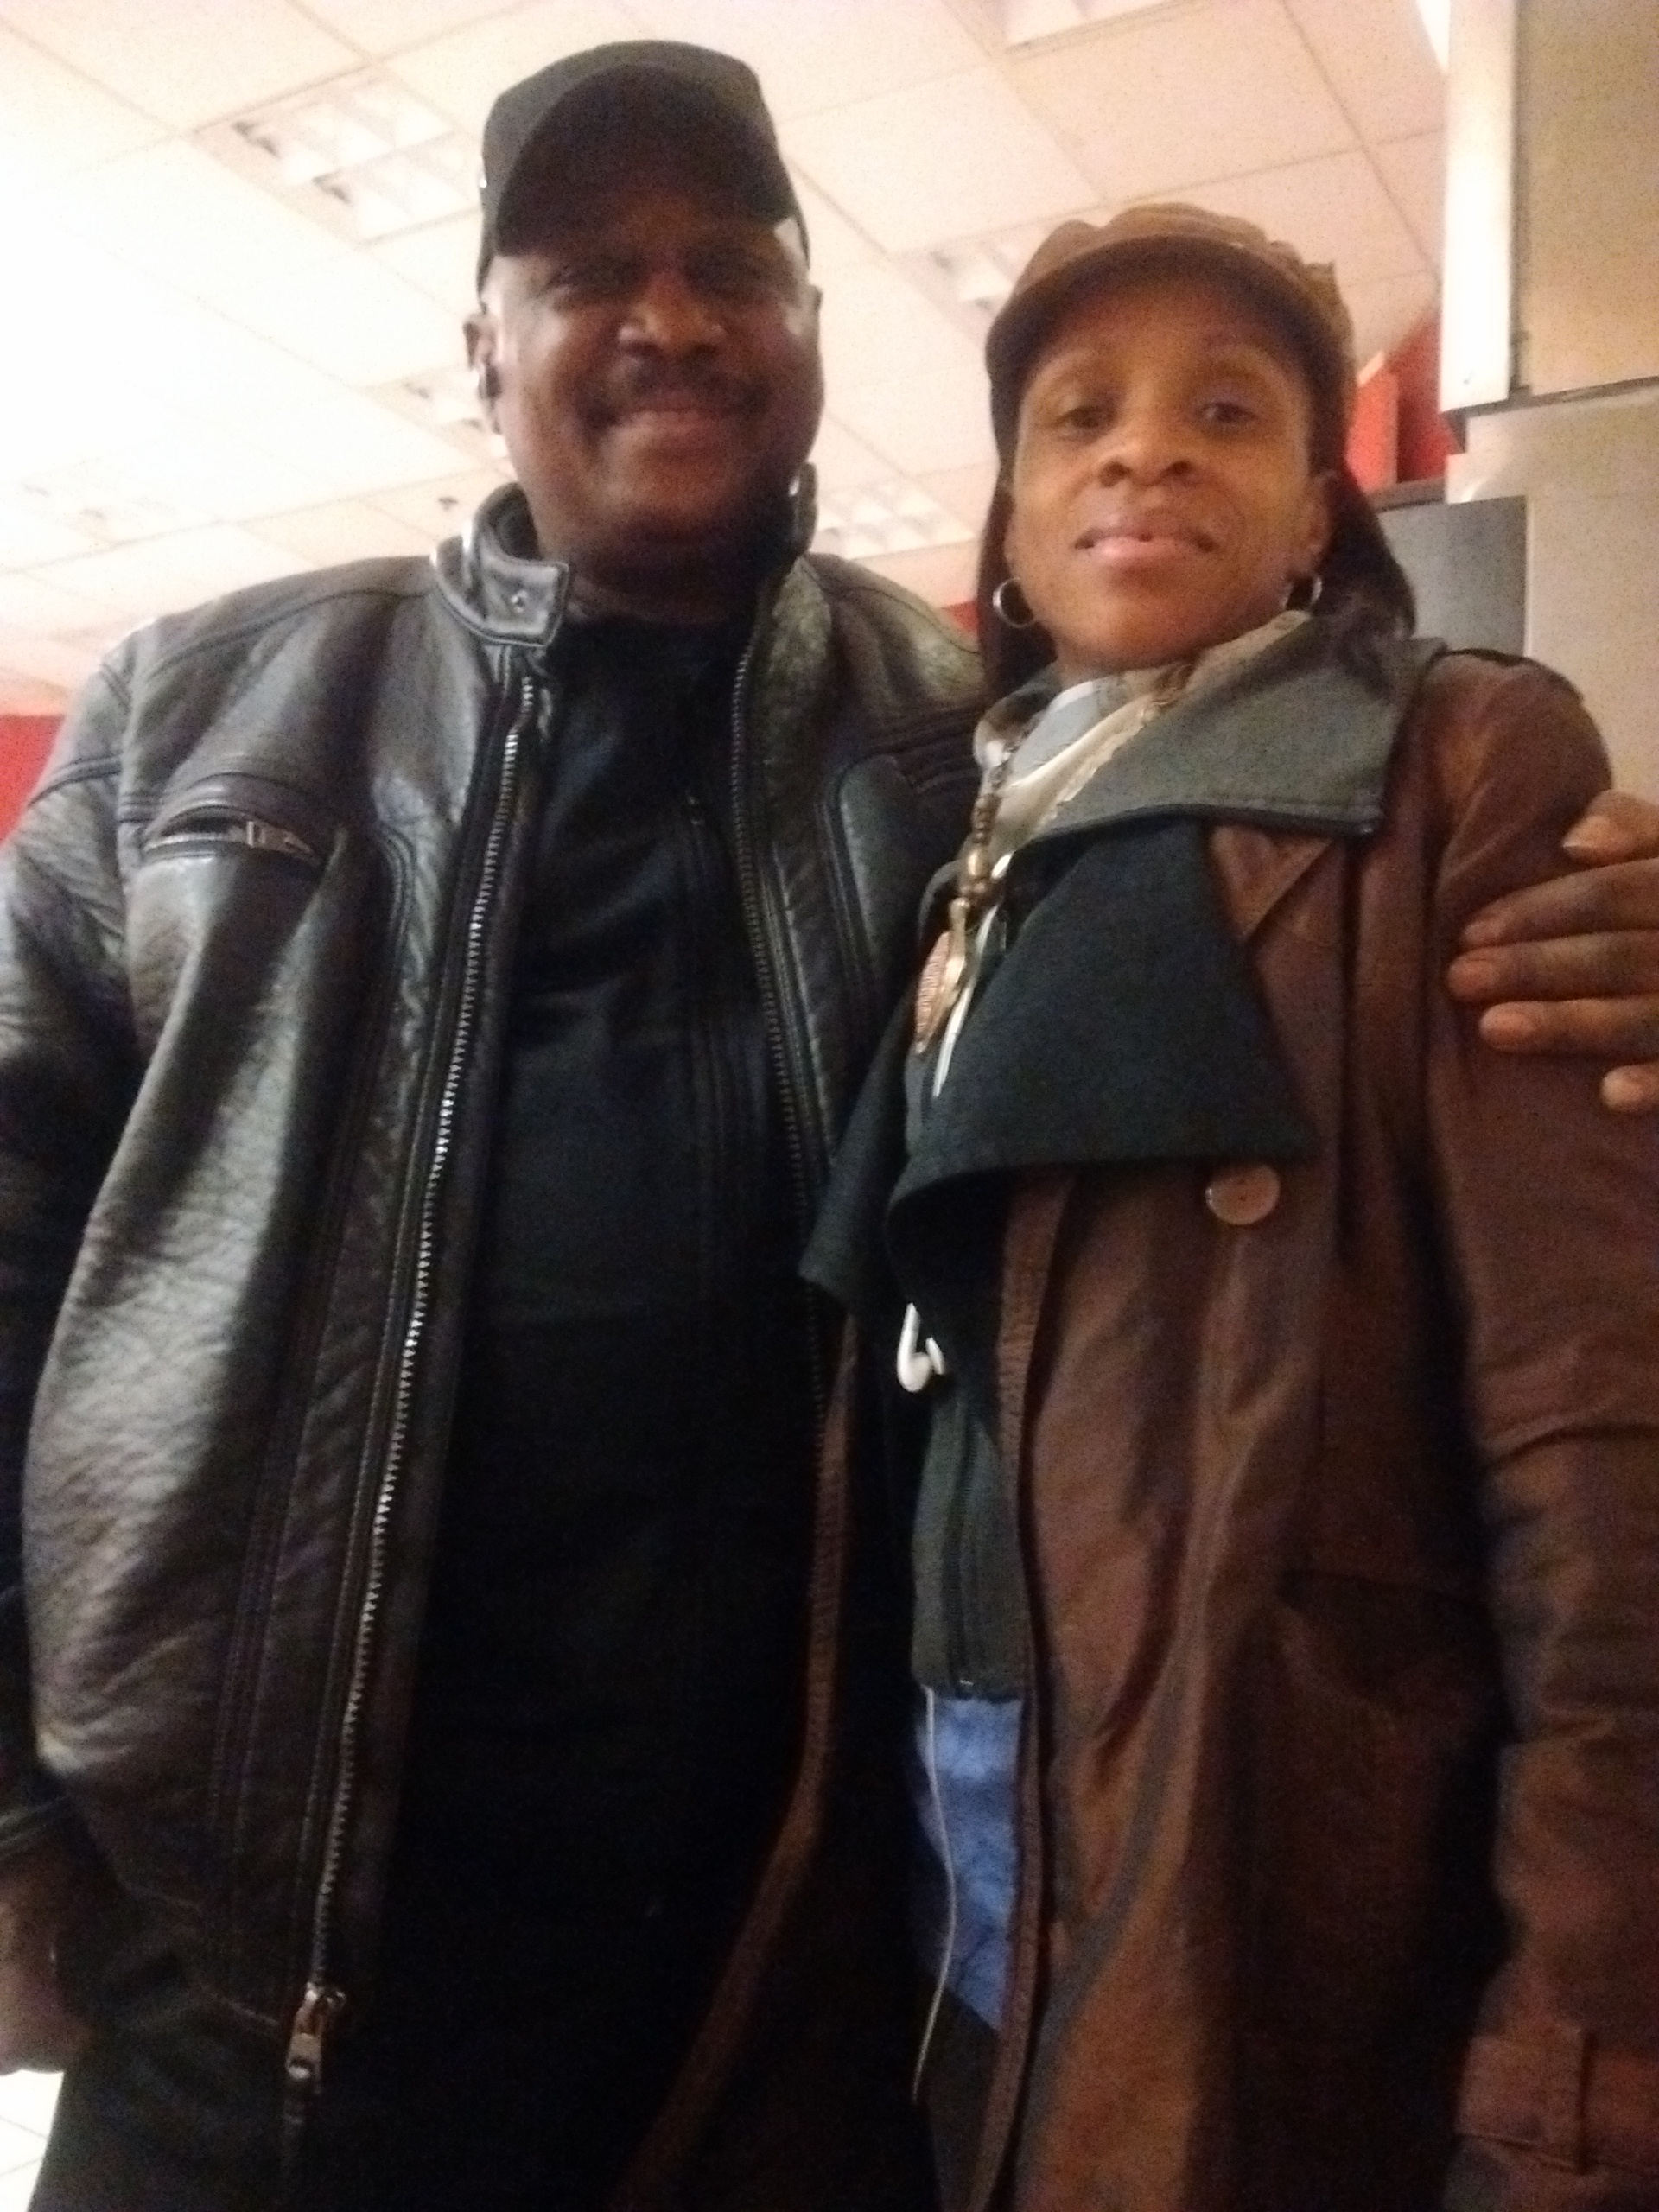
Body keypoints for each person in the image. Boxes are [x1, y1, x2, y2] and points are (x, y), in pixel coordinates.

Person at [0, 41, 1654, 2212]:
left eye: (731, 266)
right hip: (258, 1983)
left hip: (791, 1988)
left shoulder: (968, 744)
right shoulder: (205, 711)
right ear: (483, 345)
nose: (669, 316)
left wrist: (1581, 915)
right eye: (588, 271)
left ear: (805, 332)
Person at [806, 205, 1659, 2212]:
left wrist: (1581, 2035)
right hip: (954, 1833)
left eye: (1227, 410)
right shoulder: (968, 841)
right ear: (1013, 527)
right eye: (1079, 414)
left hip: (1273, 1848)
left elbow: (1595, 1434)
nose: (1144, 447)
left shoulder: (1456, 758)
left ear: (1311, 517)